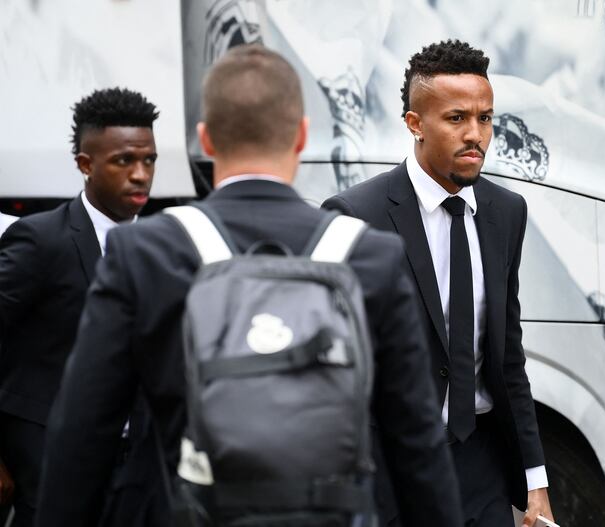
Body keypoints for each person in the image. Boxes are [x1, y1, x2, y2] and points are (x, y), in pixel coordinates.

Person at [36, 44, 462, 527]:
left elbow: (82, 432)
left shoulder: (146, 253)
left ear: (207, 139)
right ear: (301, 136)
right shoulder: (370, 256)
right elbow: (417, 443)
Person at [323, 40, 555, 526]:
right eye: (456, 119)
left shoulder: (506, 212)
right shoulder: (354, 216)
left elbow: (509, 359)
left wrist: (535, 482)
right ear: (414, 124)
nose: (476, 135)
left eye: (486, 118)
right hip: (394, 470)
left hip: (483, 462)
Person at [0, 87, 158, 526]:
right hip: (49, 462)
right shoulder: (40, 241)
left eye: (149, 160)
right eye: (124, 160)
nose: (141, 174)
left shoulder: (163, 244)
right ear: (86, 165)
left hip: (140, 463)